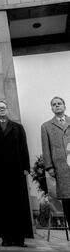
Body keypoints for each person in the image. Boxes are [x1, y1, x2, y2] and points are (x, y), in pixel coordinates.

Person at [0, 100, 30, 247]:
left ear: (7, 110)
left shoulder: (18, 127)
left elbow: (24, 148)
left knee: (18, 204)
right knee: (3, 205)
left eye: (3, 108)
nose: (1, 110)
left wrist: (26, 167)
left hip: (16, 171)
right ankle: (6, 238)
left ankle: (20, 238)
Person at [41, 96, 70, 229]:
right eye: (54, 104)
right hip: (61, 167)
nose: (57, 106)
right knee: (67, 197)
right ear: (51, 108)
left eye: (59, 103)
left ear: (64, 106)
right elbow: (46, 148)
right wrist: (49, 167)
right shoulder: (46, 126)